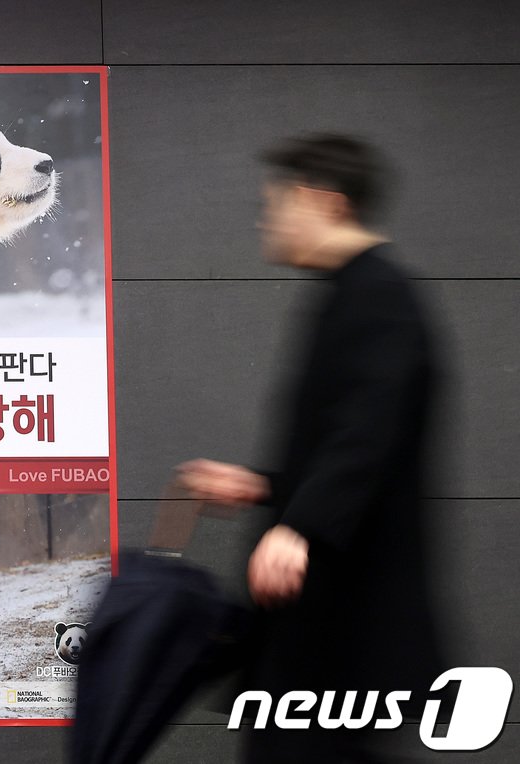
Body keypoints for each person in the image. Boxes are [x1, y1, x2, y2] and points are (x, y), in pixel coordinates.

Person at [177, 134, 445, 762]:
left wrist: (299, 528)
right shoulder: (357, 291)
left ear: (324, 203)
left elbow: (370, 434)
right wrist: (263, 485)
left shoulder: (379, 295)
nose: (266, 217)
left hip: (344, 624)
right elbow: (350, 441)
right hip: (326, 619)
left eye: (276, 202)